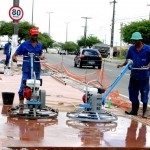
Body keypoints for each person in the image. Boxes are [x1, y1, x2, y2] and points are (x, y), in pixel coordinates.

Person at [117, 32, 150, 118]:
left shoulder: (147, 48)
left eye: (136, 40)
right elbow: (128, 60)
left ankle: (144, 112)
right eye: (134, 40)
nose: (135, 42)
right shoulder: (131, 49)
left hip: (144, 75)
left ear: (140, 40)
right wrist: (121, 65)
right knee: (132, 92)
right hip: (134, 75)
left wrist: (148, 65)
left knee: (144, 93)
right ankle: (134, 110)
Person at [12, 28, 44, 105]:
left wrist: (41, 56)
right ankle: (21, 101)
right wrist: (14, 57)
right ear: (30, 35)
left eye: (36, 35)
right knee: (24, 84)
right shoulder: (24, 44)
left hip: (36, 68)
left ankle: (34, 99)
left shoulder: (40, 45)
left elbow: (41, 54)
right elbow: (15, 54)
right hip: (27, 68)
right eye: (33, 35)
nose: (35, 37)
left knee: (36, 84)